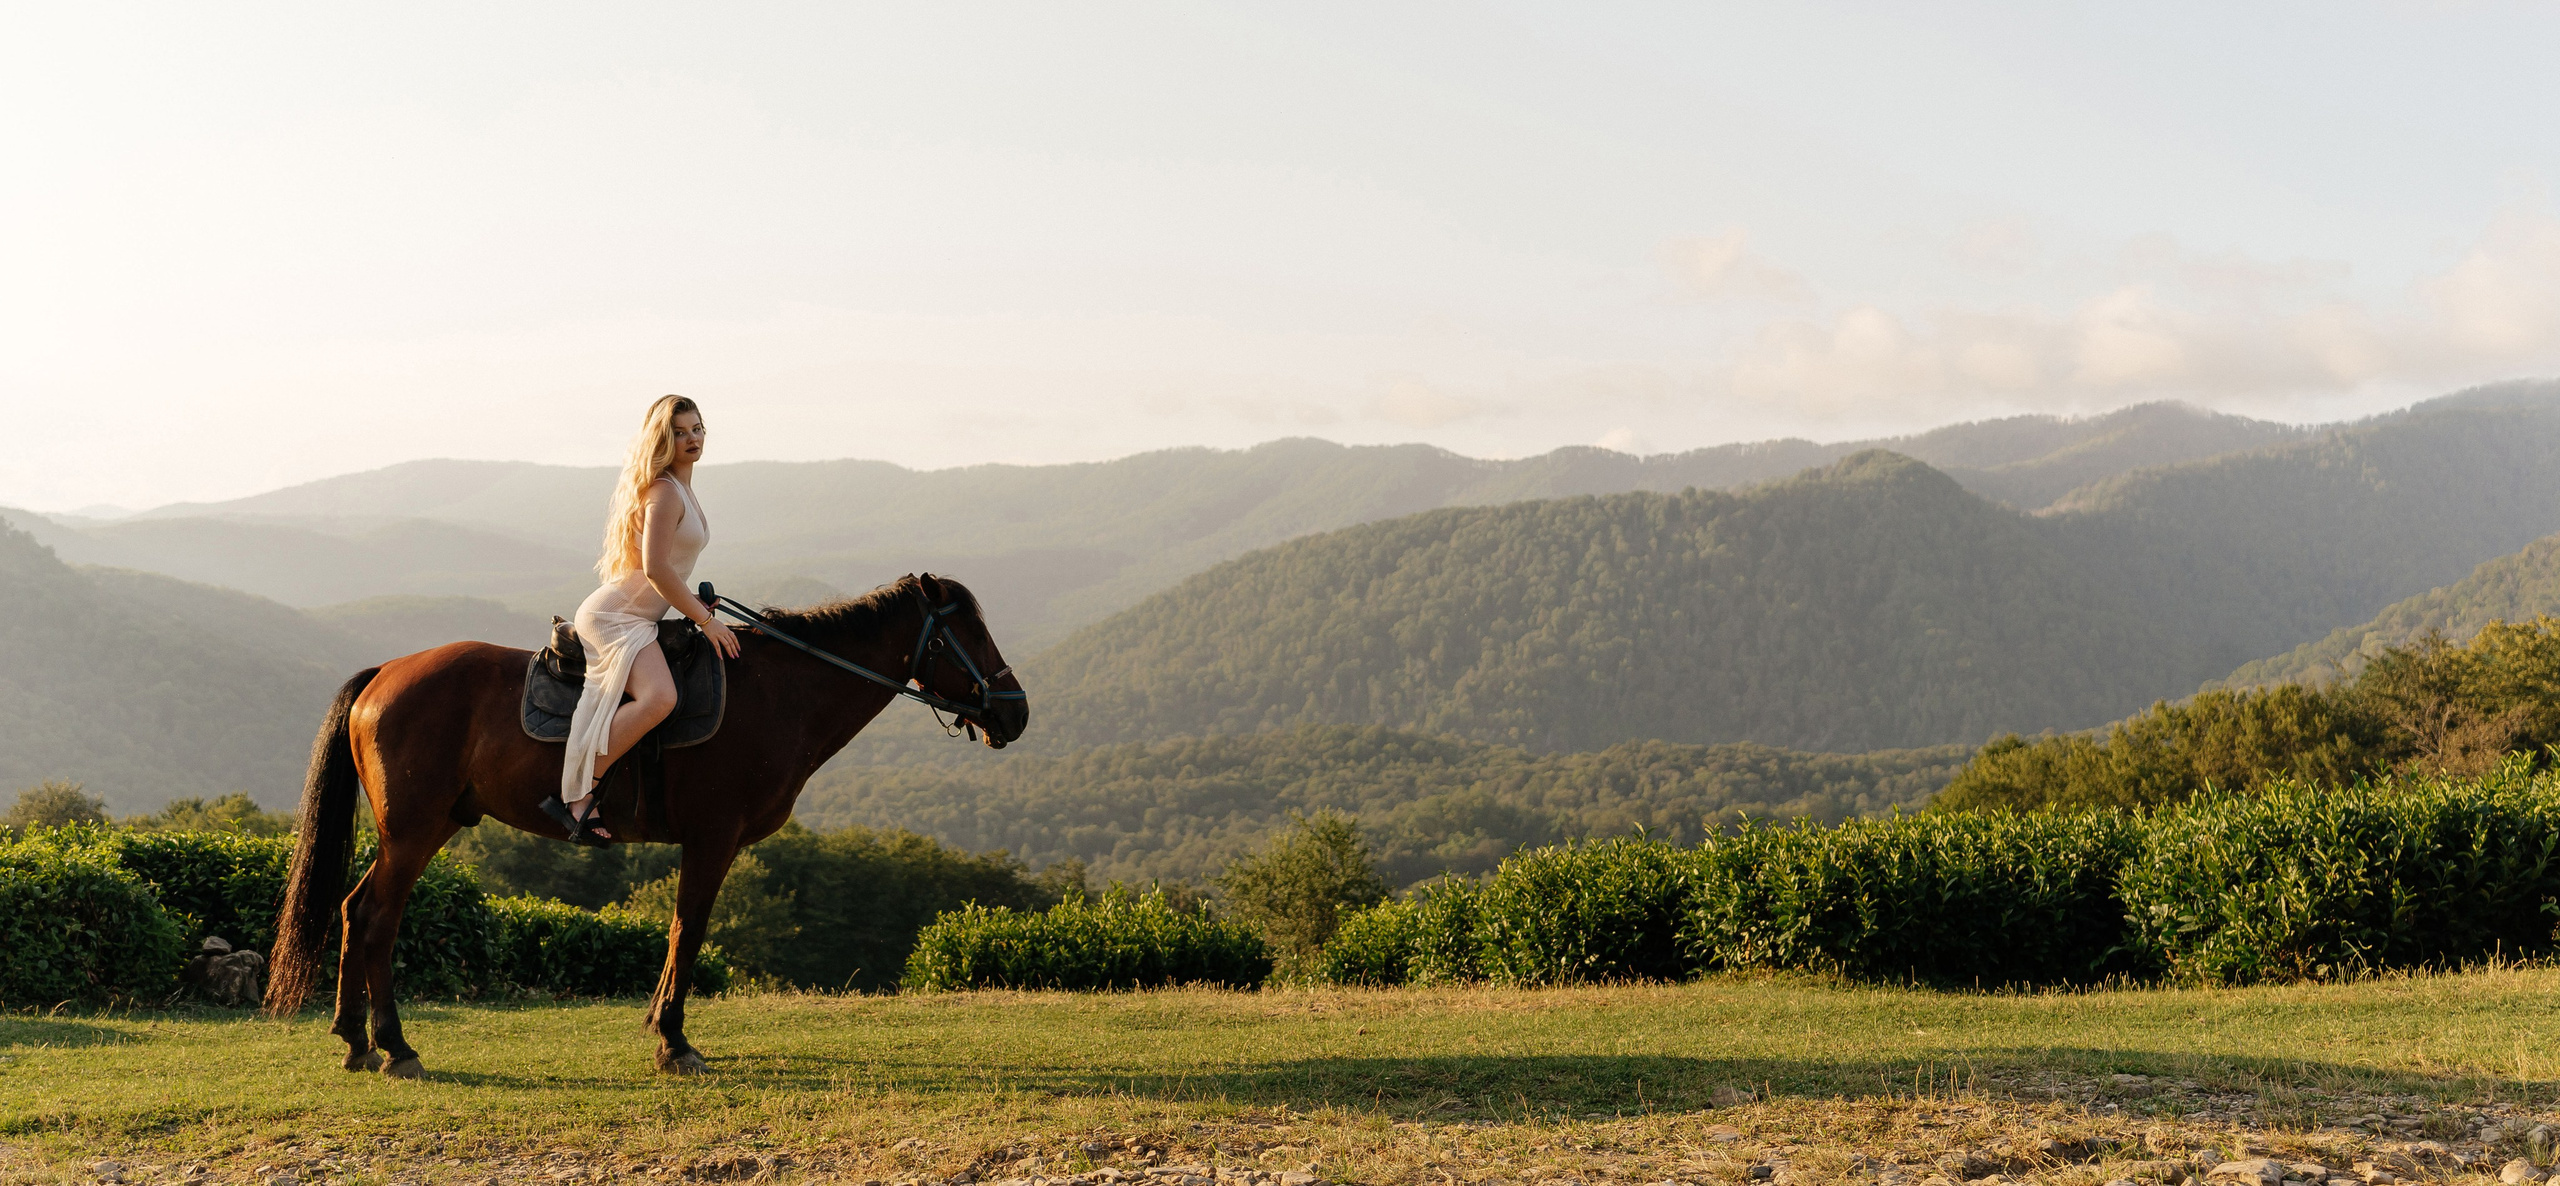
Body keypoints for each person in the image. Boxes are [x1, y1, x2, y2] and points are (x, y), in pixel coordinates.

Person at [545, 395, 742, 844]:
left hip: (640, 614)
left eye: (697, 429)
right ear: (662, 439)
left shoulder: (681, 487)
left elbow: (662, 569)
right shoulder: (665, 492)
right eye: (679, 432)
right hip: (615, 617)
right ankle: (576, 795)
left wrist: (691, 600)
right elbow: (654, 568)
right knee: (660, 699)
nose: (691, 439)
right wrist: (704, 621)